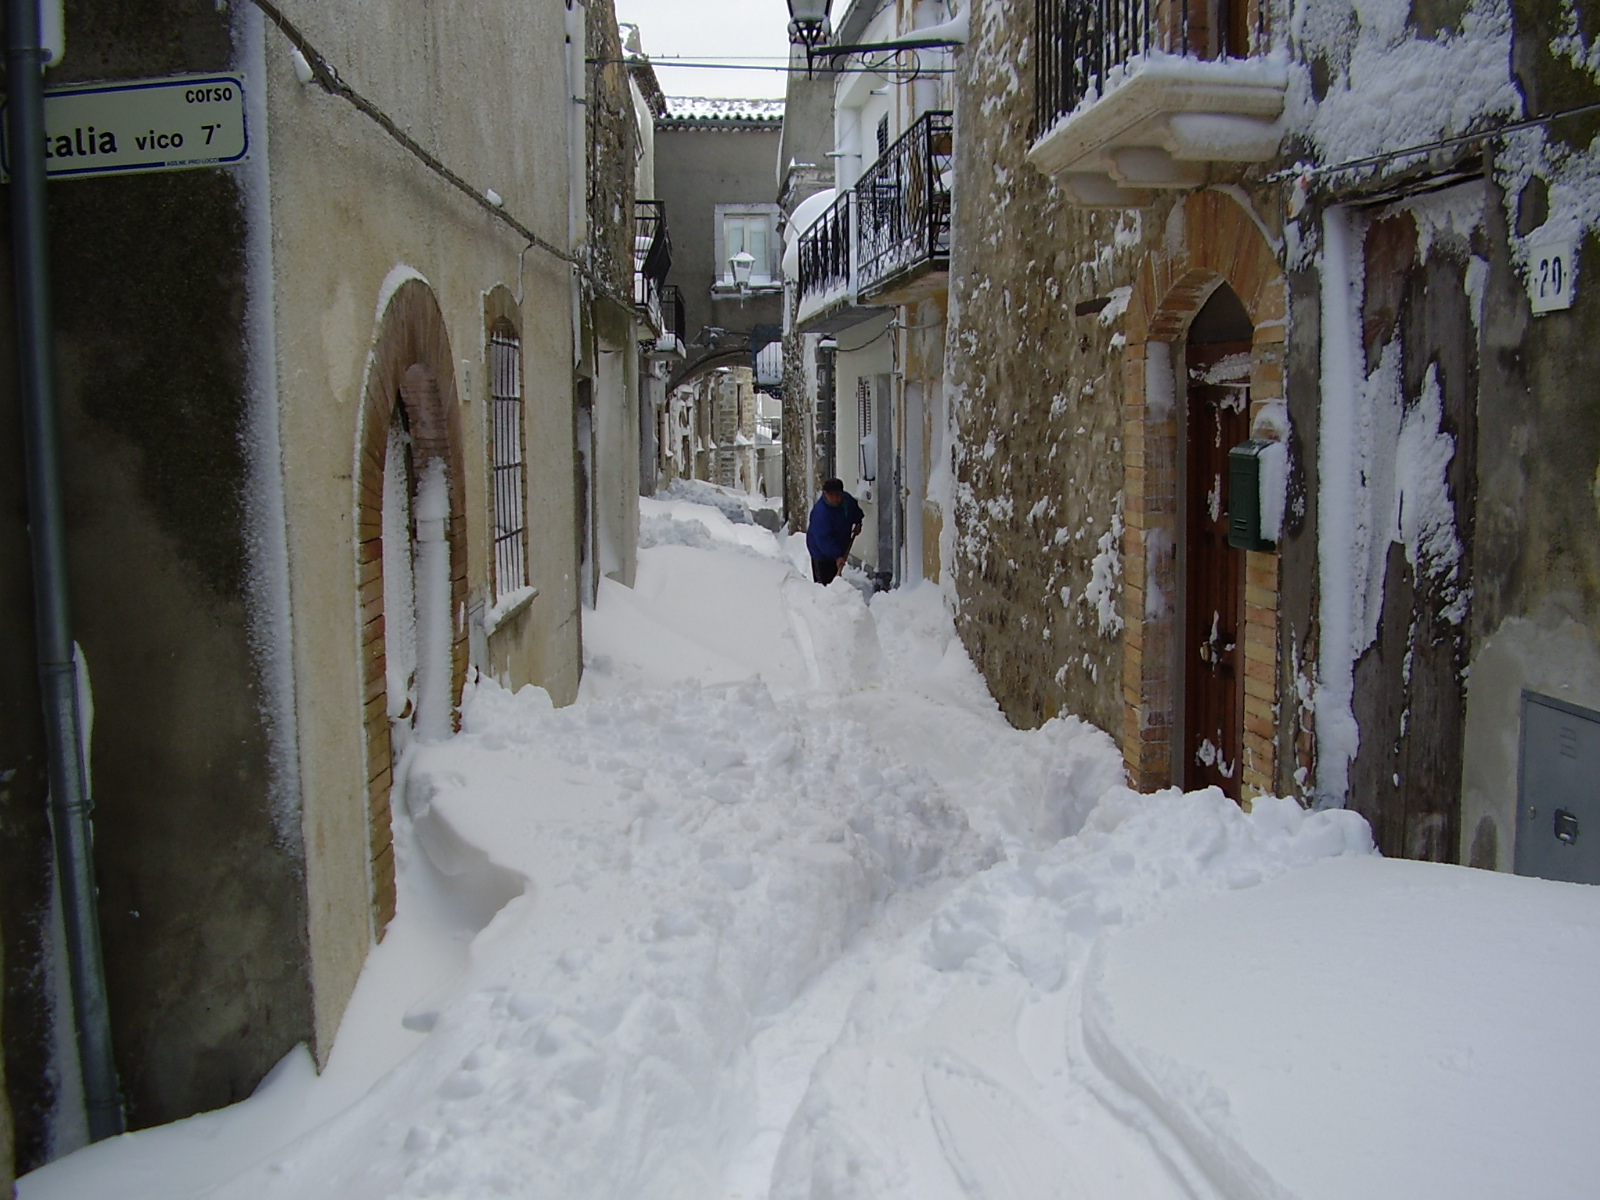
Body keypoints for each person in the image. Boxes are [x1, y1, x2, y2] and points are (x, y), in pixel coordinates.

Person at [806, 478, 864, 585]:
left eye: (838, 495)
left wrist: (858, 522)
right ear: (825, 494)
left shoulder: (846, 501)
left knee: (836, 580)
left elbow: (855, 510)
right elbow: (824, 540)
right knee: (825, 584)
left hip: (839, 544)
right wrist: (837, 556)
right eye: (832, 495)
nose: (836, 498)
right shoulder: (821, 513)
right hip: (821, 552)